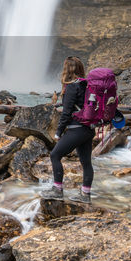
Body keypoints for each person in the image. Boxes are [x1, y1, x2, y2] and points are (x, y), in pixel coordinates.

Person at [45, 56, 94, 201]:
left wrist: (58, 132)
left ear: (67, 69)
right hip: (88, 129)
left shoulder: (72, 86)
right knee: (86, 162)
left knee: (55, 155)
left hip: (76, 129)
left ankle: (58, 190)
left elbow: (66, 113)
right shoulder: (87, 85)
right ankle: (86, 195)